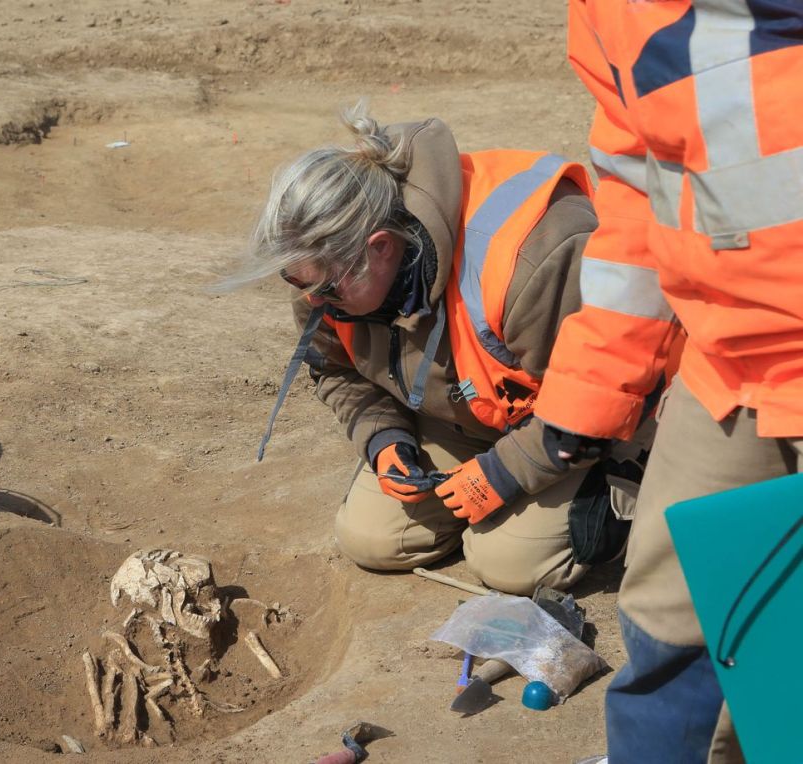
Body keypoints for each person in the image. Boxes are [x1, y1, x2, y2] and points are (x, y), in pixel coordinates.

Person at [239, 103, 653, 597]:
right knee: (374, 539)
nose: (312, 301)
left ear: (381, 247)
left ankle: (632, 488)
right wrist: (384, 439)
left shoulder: (531, 258)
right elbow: (335, 371)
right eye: (297, 282)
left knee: (508, 564)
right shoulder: (320, 268)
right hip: (468, 410)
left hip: (577, 420)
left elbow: (598, 396)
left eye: (324, 290)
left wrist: (503, 473)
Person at [535, 2, 803, 762]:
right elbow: (636, 193)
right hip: (729, 360)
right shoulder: (609, 10)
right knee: (669, 607)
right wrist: (595, 385)